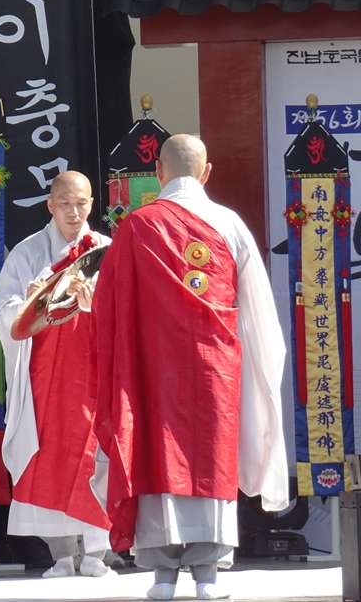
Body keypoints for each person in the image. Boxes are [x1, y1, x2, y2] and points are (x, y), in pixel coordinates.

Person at [92, 135, 288, 601]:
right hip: (213, 370)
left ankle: (162, 578)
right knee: (211, 458)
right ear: (206, 172)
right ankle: (207, 577)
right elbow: (259, 310)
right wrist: (265, 365)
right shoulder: (230, 223)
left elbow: (107, 307)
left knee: (155, 457)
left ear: (158, 172)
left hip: (151, 371)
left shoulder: (136, 225)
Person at [0, 171, 113, 578]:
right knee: (49, 455)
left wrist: (97, 305)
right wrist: (31, 303)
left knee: (97, 455)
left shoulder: (106, 250)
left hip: (94, 370)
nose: (73, 212)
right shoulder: (27, 253)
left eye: (80, 204)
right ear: (50, 205)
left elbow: (130, 311)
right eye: (64, 203)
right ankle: (61, 555)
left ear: (91, 204)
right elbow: (3, 309)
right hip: (46, 373)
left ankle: (96, 554)